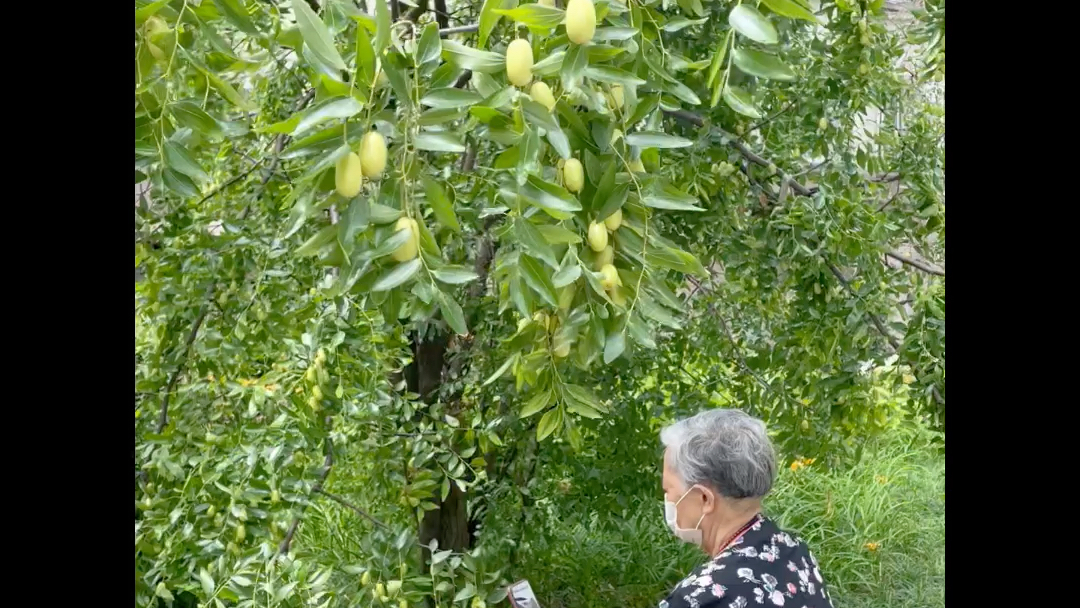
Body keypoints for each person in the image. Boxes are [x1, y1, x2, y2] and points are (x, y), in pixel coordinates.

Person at [657, 409, 834, 608]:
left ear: (705, 498)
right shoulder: (797, 554)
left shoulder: (700, 598)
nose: (667, 499)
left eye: (668, 489)